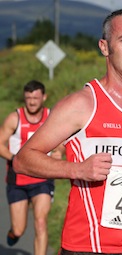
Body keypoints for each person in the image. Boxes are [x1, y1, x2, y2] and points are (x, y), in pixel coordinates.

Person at [13, 9, 122, 255]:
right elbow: (23, 159)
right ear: (105, 47)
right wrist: (77, 169)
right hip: (90, 245)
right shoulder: (82, 104)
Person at [0, 80, 62, 255]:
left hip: (42, 178)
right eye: (28, 98)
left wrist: (59, 152)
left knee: (41, 221)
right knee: (19, 230)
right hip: (17, 179)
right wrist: (16, 158)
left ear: (44, 97)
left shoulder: (52, 117)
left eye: (35, 98)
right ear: (24, 98)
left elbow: (61, 143)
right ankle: (14, 233)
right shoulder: (15, 118)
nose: (32, 102)